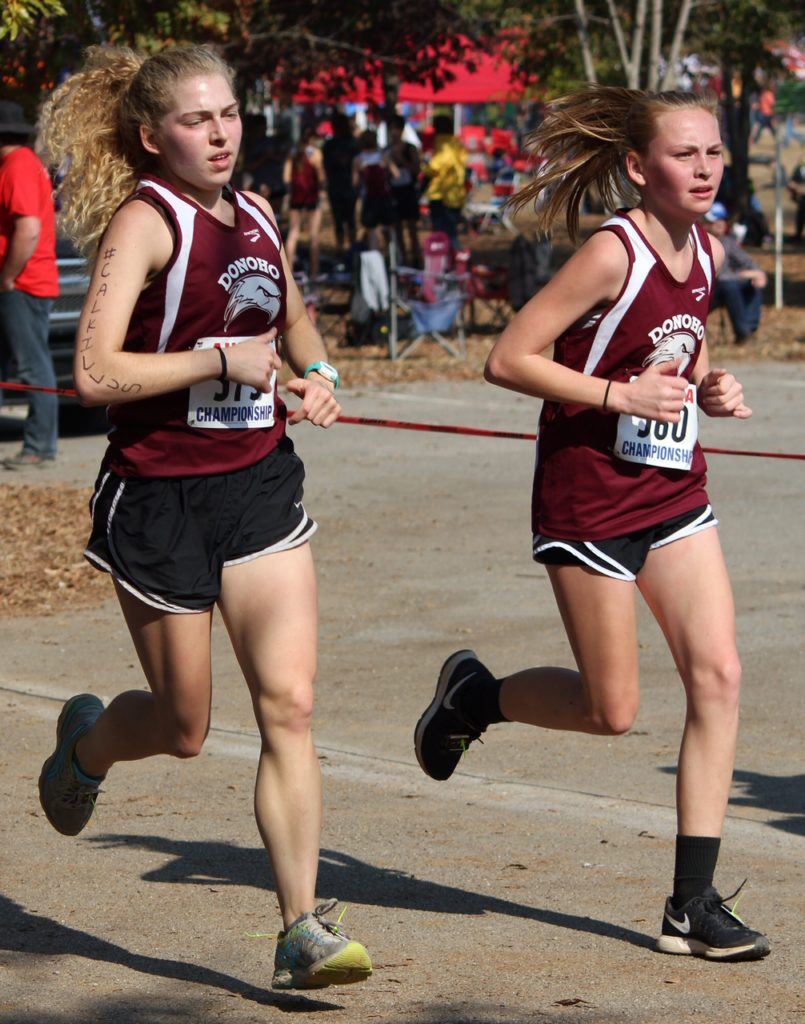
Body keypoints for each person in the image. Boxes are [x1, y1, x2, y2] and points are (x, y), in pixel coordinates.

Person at [36, 45, 372, 992]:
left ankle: (300, 927)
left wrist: (320, 378)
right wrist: (216, 362)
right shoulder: (148, 223)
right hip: (159, 497)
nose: (220, 133)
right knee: (185, 727)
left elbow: (293, 317)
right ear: (153, 136)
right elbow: (94, 374)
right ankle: (89, 744)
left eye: (227, 114)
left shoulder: (258, 212)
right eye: (195, 120)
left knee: (290, 706)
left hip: (258, 486)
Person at [414, 85, 770, 963]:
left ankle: (690, 905)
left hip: (673, 490)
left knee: (718, 676)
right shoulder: (611, 252)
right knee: (610, 710)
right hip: (590, 498)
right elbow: (507, 357)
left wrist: (711, 388)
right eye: (683, 155)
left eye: (713, 152)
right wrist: (618, 394)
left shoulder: (708, 245)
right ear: (636, 168)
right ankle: (475, 698)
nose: (703, 168)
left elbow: (679, 350)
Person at [0, 100, 59, 468]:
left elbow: (28, 228)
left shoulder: (17, 166)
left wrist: (7, 275)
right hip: (22, 283)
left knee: (33, 366)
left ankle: (40, 446)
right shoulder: (20, 164)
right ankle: (39, 444)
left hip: (22, 284)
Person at [704, 201, 766, 343]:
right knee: (729, 285)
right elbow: (716, 274)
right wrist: (739, 275)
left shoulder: (728, 242)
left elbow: (748, 262)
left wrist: (757, 273)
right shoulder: (697, 240)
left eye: (722, 219)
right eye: (714, 220)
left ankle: (748, 330)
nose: (720, 223)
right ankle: (742, 331)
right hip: (706, 291)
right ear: (703, 222)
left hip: (726, 286)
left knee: (752, 284)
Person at [283, 130, 325, 280]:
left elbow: (286, 177)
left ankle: (289, 271)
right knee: (314, 236)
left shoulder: (293, 153)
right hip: (311, 197)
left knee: (293, 233)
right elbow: (321, 176)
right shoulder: (316, 154)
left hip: (296, 197)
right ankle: (315, 271)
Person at [423, 114, 467, 249]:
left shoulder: (444, 145)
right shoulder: (457, 145)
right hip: (456, 195)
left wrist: (424, 169)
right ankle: (452, 262)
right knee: (450, 233)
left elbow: (433, 167)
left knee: (445, 235)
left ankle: (451, 262)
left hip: (442, 197)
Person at [385, 114, 421, 267]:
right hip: (394, 193)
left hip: (408, 192)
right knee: (397, 231)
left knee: (412, 230)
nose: (394, 132)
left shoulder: (410, 148)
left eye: (396, 129)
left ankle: (416, 260)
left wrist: (402, 159)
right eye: (391, 129)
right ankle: (403, 261)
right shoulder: (386, 151)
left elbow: (416, 169)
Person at [352, 128, 395, 252]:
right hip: (385, 198)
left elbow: (354, 183)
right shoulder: (383, 156)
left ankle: (375, 261)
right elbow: (396, 174)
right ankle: (393, 259)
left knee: (371, 232)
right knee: (389, 230)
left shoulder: (358, 159)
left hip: (369, 199)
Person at [322, 112, 358, 257]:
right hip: (336, 186)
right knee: (339, 221)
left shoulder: (353, 143)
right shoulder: (329, 145)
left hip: (349, 186)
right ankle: (341, 249)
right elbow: (326, 165)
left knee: (350, 220)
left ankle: (353, 250)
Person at [787, 154, 805, 243]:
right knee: (800, 216)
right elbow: (791, 181)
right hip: (802, 198)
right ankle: (798, 235)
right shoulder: (798, 169)